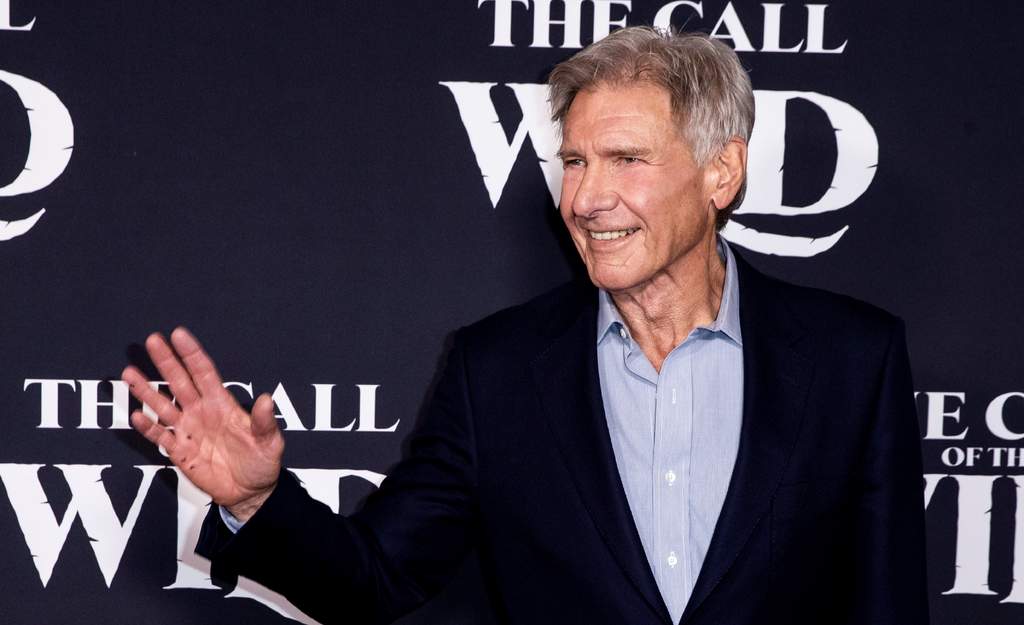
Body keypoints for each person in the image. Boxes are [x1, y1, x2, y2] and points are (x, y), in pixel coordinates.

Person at [122, 27, 929, 625]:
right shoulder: (497, 371)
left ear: (721, 171)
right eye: (575, 162)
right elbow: (373, 580)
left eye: (626, 159)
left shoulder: (851, 360)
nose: (586, 198)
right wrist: (258, 500)